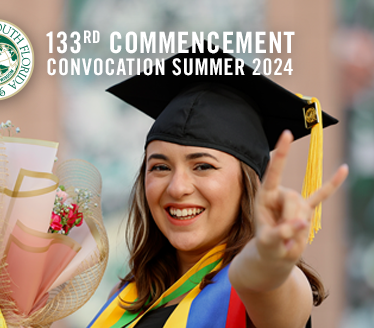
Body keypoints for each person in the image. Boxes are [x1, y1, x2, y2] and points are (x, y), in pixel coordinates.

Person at [87, 43, 349, 328]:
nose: (177, 188)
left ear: (247, 184)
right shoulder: (129, 295)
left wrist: (267, 264)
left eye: (203, 166)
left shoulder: (257, 292)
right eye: (160, 167)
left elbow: (266, 289)